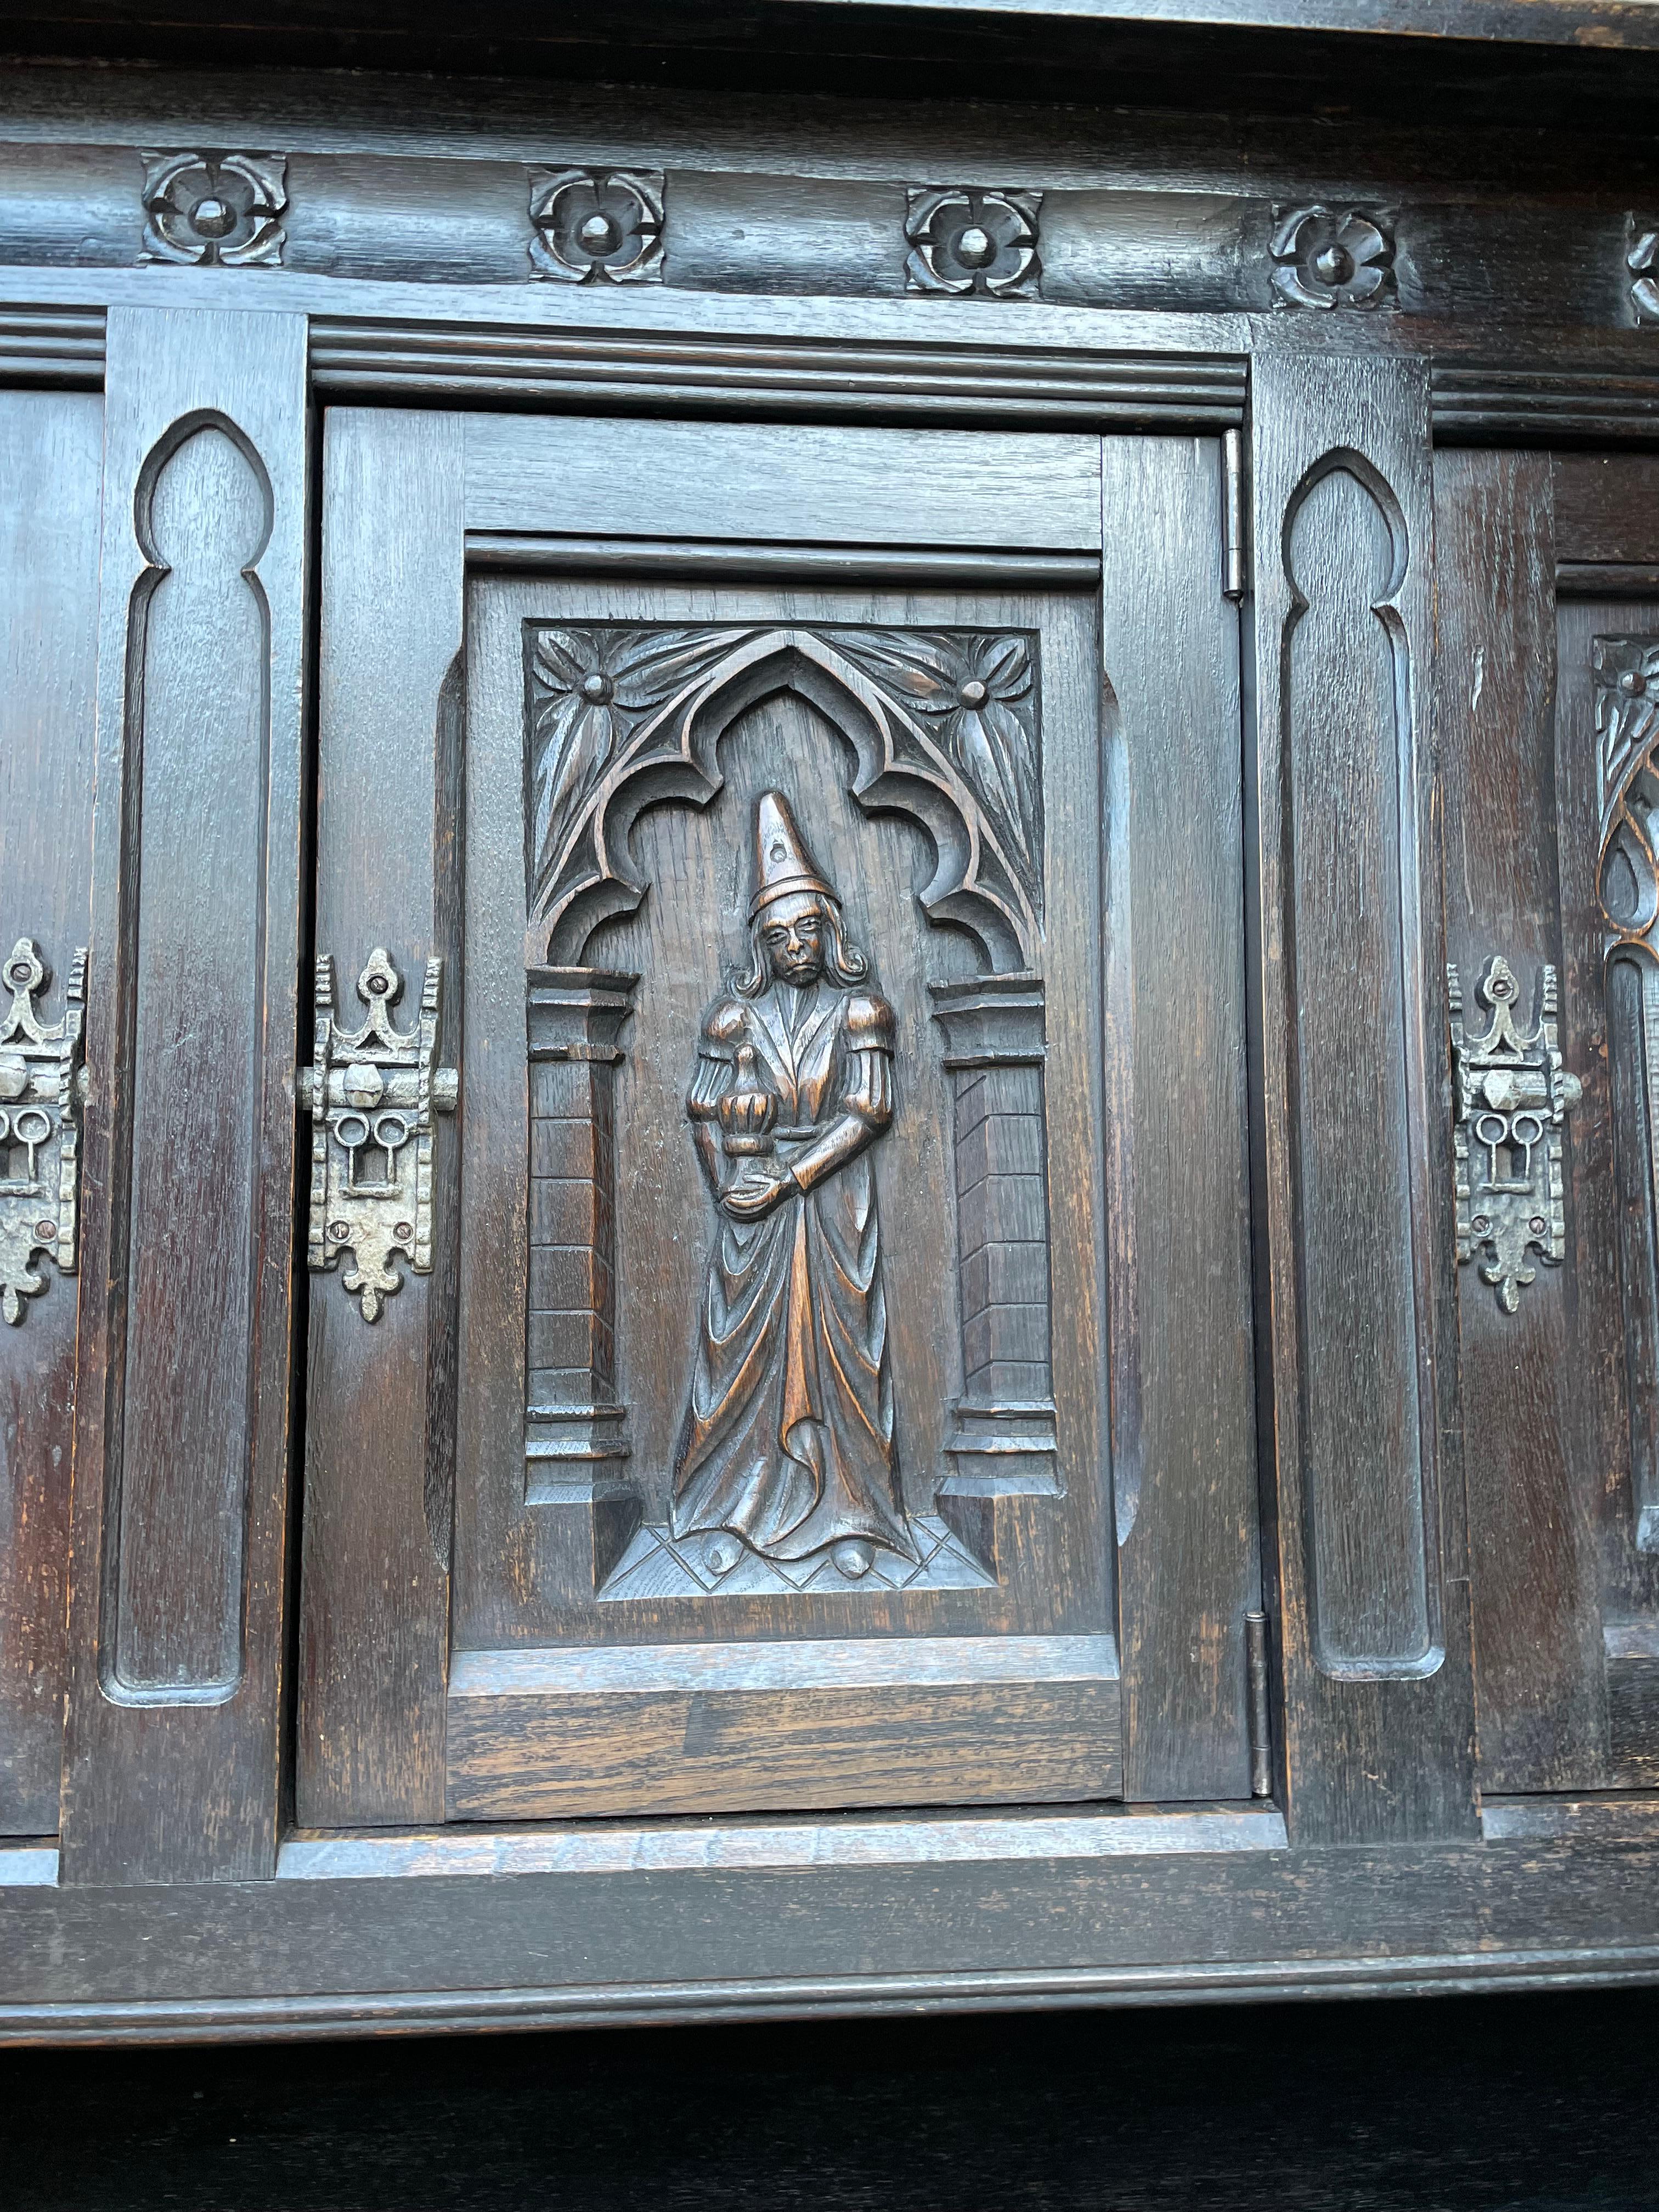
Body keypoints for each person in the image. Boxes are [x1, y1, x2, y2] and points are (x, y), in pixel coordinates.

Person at [672, 790, 913, 1579]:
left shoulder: (861, 1012)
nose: (797, 945)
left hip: (831, 1202)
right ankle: (731, 1509)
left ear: (831, 929)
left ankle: (850, 1517)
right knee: (741, 1356)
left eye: (809, 928)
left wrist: (792, 1177)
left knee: (843, 1353)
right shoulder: (732, 1023)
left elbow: (868, 1111)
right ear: (760, 945)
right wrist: (728, 1191)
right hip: (753, 1211)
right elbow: (704, 1113)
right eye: (779, 935)